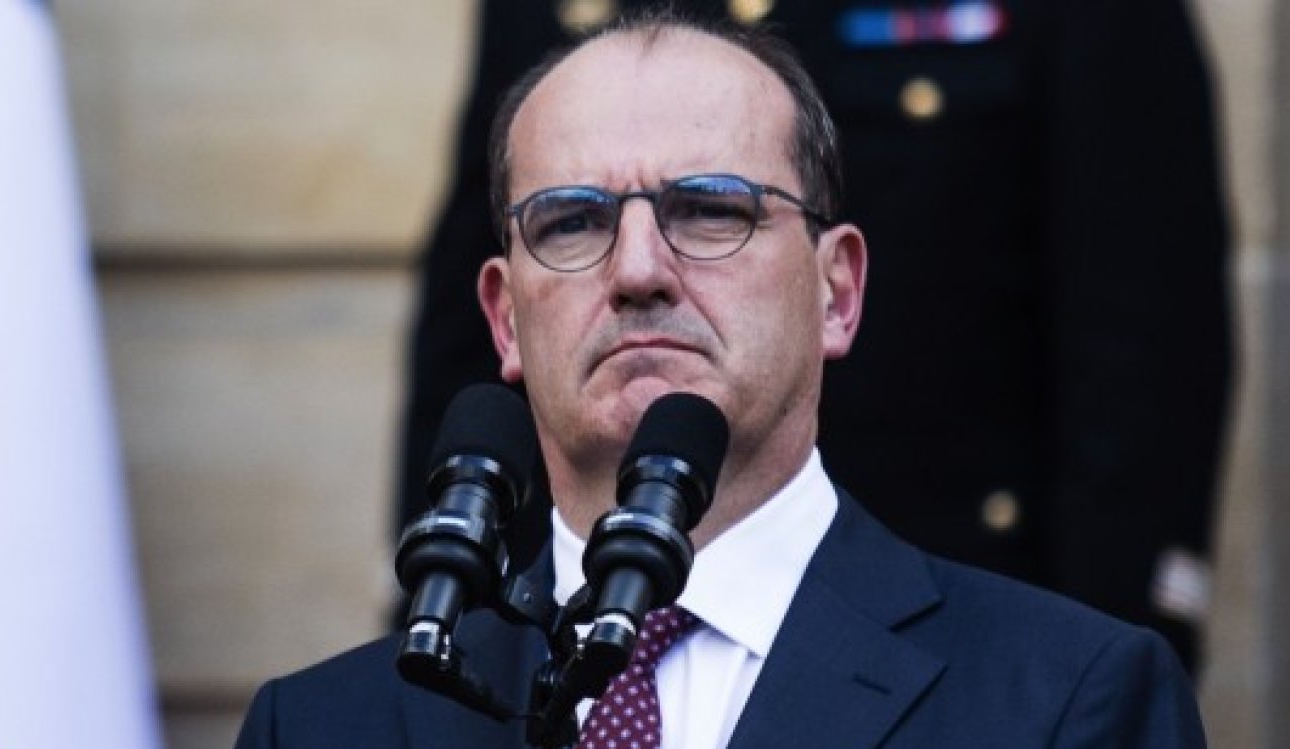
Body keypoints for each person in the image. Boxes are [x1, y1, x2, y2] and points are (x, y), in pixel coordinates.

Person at [195, 11, 1217, 749]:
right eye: (573, 221)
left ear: (837, 291)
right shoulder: (315, 748)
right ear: (504, 320)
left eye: (711, 210)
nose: (638, 269)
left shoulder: (1064, 704)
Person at [397, 0, 1233, 676]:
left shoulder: (1051, 693)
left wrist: (1079, 675)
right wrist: (451, 619)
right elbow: (471, 329)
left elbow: (1142, 339)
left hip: (950, 626)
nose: (639, 267)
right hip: (578, 637)